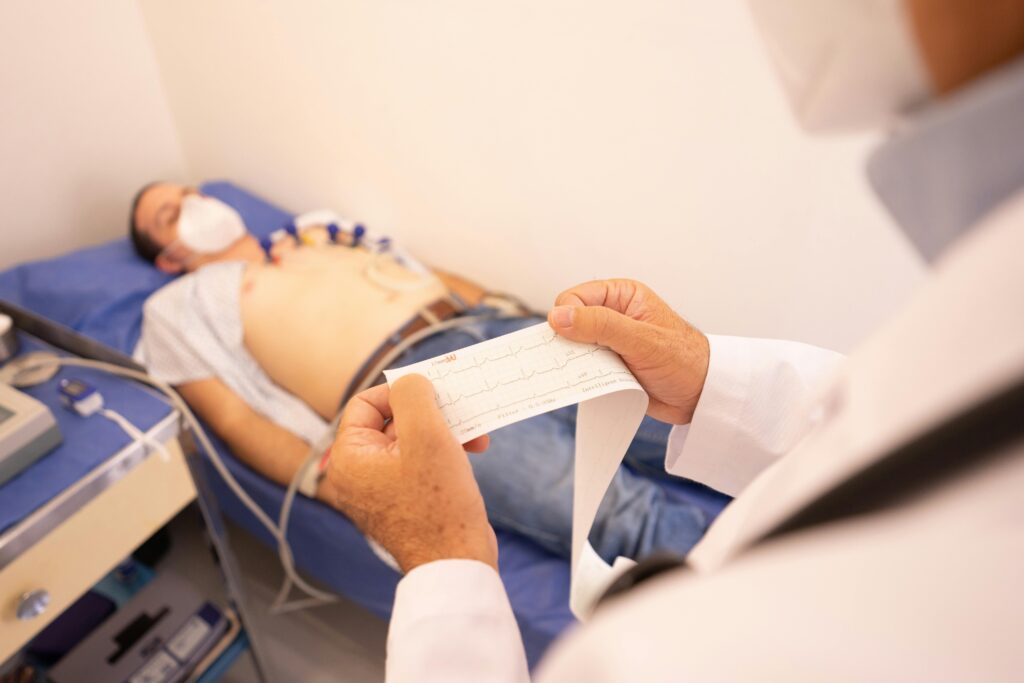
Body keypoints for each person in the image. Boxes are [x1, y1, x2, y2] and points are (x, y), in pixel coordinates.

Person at [324, 0, 1024, 679]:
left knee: (622, 476)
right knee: (602, 497)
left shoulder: (327, 234)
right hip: (379, 381)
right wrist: (706, 375)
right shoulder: (213, 301)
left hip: (472, 332)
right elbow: (887, 424)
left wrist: (441, 560)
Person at [128, 183, 715, 566]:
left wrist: (513, 309)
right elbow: (233, 418)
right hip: (421, 389)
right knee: (620, 514)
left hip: (487, 325)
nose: (196, 204)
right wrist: (332, 484)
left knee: (686, 421)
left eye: (190, 192)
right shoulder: (181, 306)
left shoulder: (311, 230)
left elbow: (419, 269)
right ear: (165, 257)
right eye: (171, 212)